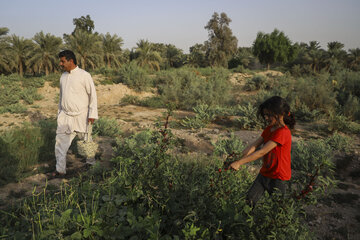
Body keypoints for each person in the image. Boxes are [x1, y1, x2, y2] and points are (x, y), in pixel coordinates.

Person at [230, 96, 295, 206]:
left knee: (278, 209)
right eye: (265, 115)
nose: (266, 118)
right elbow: (254, 146)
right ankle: (245, 222)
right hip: (265, 173)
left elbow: (262, 151)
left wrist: (239, 163)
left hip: (279, 177)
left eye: (269, 115)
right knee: (249, 201)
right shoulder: (268, 130)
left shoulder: (283, 132)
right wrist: (237, 158)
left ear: (279, 114)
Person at [50, 50, 98, 177]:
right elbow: (61, 97)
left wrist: (92, 114)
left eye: (62, 61)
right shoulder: (63, 76)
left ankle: (91, 163)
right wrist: (59, 113)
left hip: (82, 115)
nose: (60, 64)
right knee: (60, 143)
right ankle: (60, 170)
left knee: (86, 141)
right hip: (65, 116)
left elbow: (93, 95)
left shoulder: (84, 75)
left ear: (71, 61)